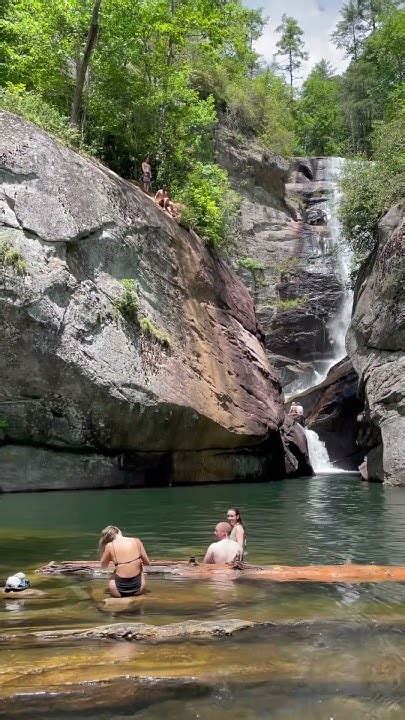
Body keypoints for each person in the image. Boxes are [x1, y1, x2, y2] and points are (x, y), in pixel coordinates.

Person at [99, 525, 150, 598]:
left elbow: (104, 566)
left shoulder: (109, 546)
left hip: (117, 591)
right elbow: (147, 563)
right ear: (119, 532)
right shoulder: (136, 541)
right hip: (139, 588)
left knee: (116, 571)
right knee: (139, 565)